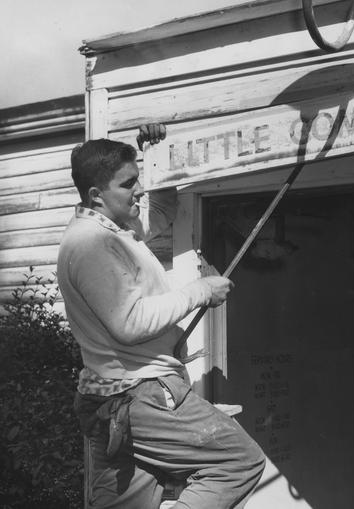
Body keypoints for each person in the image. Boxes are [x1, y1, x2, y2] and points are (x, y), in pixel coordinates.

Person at [57, 124, 265, 509]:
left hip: (113, 400)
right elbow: (129, 323)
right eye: (129, 183)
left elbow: (164, 210)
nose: (139, 190)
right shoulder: (92, 245)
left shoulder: (116, 229)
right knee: (239, 462)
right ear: (95, 195)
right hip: (138, 395)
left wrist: (158, 152)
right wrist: (199, 290)